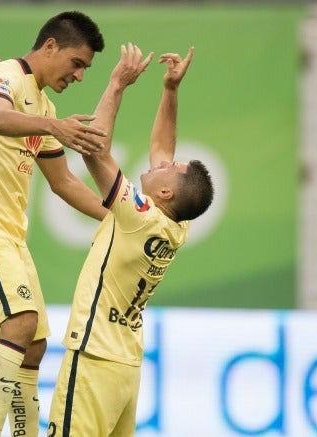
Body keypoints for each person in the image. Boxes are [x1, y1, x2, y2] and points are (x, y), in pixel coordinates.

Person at [0, 10, 110, 437]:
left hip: (10, 235)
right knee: (20, 323)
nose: (79, 75)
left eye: (86, 69)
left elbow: (64, 182)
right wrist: (53, 125)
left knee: (33, 343)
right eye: (77, 63)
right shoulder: (3, 75)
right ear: (50, 46)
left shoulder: (45, 104)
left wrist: (119, 217)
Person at [47, 44, 214, 436]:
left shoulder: (139, 216)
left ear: (166, 194)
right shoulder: (175, 226)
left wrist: (116, 84)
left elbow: (94, 150)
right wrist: (170, 90)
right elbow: (162, 149)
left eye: (170, 170)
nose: (162, 163)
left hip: (93, 357)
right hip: (125, 366)